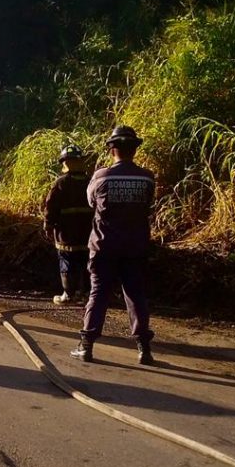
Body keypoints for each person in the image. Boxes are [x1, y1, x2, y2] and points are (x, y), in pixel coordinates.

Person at [72, 125, 157, 365]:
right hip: (135, 247)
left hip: (104, 247)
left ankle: (86, 346)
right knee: (136, 295)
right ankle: (144, 349)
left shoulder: (101, 176)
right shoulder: (147, 178)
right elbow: (148, 204)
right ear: (135, 150)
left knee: (98, 294)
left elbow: (91, 202)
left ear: (112, 149)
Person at [43, 144, 93, 305]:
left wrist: (48, 226)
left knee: (67, 263)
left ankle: (68, 294)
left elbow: (50, 207)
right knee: (86, 263)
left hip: (66, 234)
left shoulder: (60, 183)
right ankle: (85, 294)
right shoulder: (90, 182)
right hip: (87, 233)